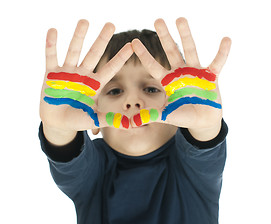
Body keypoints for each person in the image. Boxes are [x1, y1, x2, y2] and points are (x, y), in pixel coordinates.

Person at [39, 17, 231, 223]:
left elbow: (204, 143)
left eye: (151, 89)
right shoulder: (93, 171)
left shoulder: (193, 168)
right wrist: (57, 126)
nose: (132, 101)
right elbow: (67, 153)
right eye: (114, 91)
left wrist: (205, 124)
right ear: (92, 112)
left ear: (182, 108)